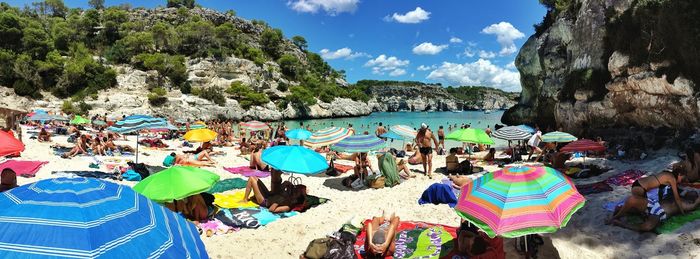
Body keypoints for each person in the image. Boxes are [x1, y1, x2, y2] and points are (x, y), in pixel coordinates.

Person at [607, 165, 688, 226]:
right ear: (679, 174)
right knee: (639, 209)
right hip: (640, 187)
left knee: (642, 208)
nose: (681, 181)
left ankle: (620, 209)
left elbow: (660, 189)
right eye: (682, 178)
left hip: (639, 184)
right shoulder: (672, 179)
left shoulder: (667, 173)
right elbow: (677, 198)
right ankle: (615, 216)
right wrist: (682, 212)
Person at [609, 188, 700, 232]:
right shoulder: (678, 195)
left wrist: (696, 199)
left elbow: (696, 203)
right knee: (632, 200)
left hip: (660, 212)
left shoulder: (688, 204)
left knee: (646, 227)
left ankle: (620, 223)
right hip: (653, 204)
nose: (692, 191)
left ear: (693, 198)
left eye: (694, 192)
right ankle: (617, 215)